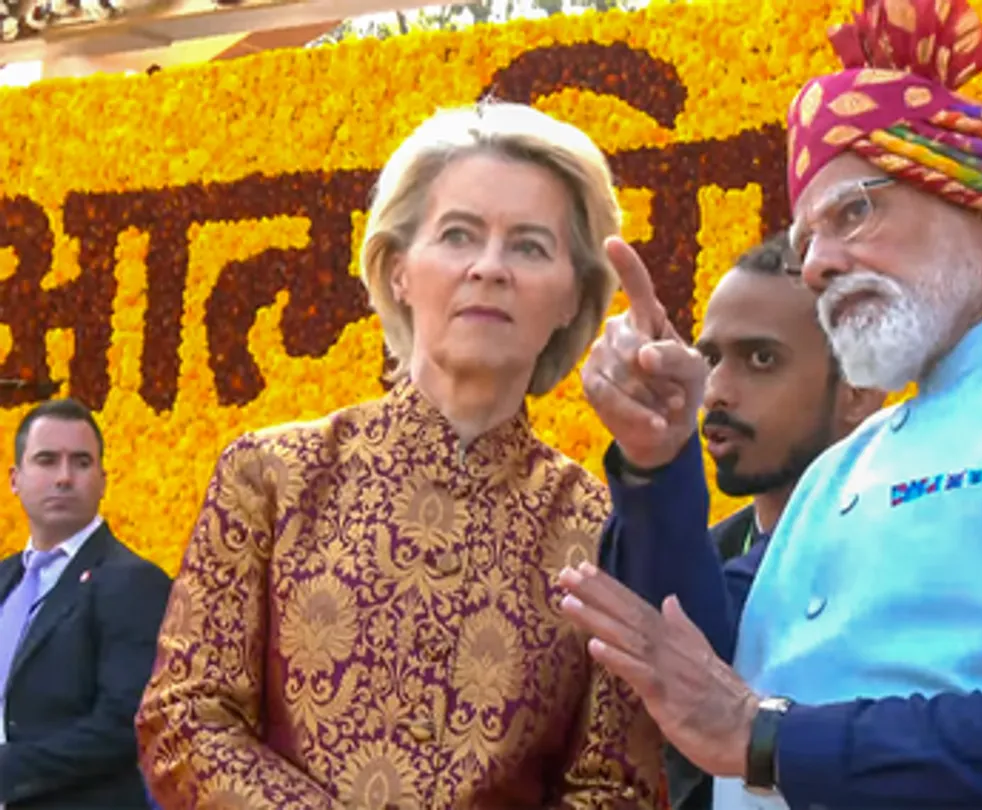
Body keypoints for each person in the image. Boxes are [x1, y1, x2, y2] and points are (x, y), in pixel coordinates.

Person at [557, 1, 982, 808]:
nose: (815, 264)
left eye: (854, 210)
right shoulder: (845, 466)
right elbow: (697, 660)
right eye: (807, 236)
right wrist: (655, 460)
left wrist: (771, 739)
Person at [135, 102, 664, 809]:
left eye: (531, 246)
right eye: (458, 235)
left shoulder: (598, 529)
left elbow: (614, 787)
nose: (489, 268)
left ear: (573, 297)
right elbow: (187, 720)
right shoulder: (272, 475)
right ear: (398, 270)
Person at [604, 232, 882, 810]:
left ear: (858, 388)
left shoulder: (912, 546)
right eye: (709, 360)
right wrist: (648, 456)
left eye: (761, 360)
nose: (717, 393)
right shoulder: (706, 553)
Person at [0, 398, 171, 810]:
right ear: (14, 479)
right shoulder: (5, 579)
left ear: (102, 480)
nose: (63, 477)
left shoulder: (133, 581)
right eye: (46, 460)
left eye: (80, 462)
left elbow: (124, 725)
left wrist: (7, 770)